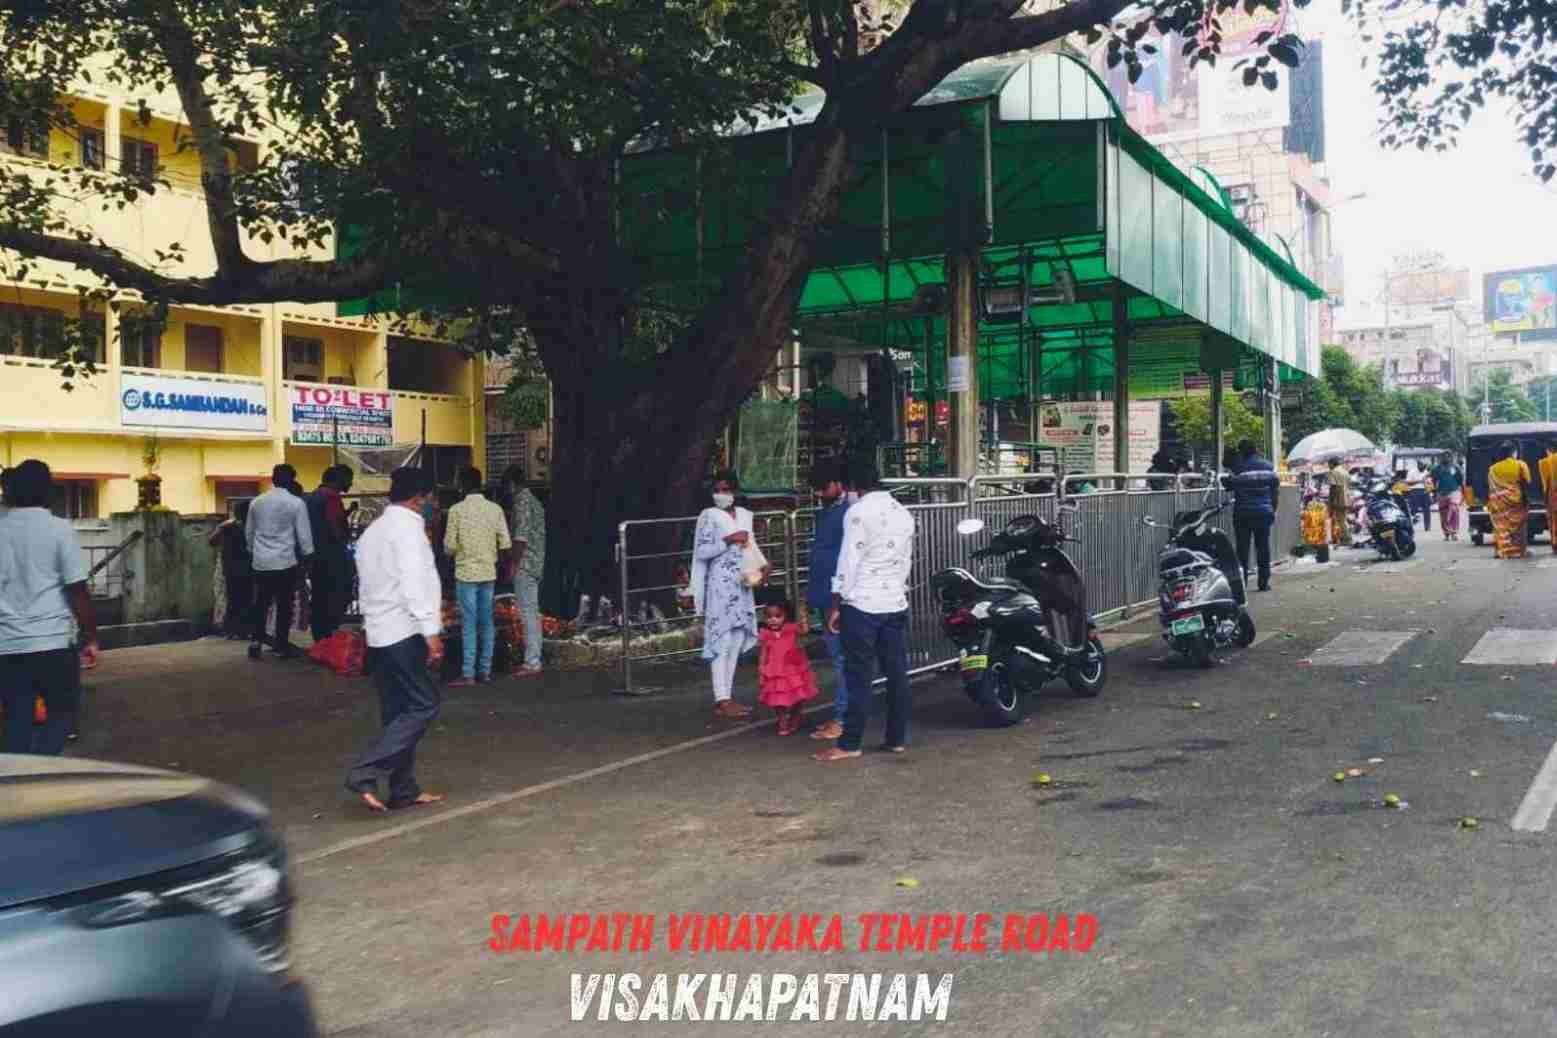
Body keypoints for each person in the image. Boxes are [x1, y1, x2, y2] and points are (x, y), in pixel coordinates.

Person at [345, 467, 446, 813]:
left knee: (397, 712)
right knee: (423, 704)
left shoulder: (374, 531)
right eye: (432, 497)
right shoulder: (408, 531)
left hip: (379, 633)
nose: (434, 504)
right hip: (404, 631)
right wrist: (430, 631)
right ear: (420, 497)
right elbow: (414, 583)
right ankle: (366, 771)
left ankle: (403, 789)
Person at [816, 459, 915, 763]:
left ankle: (849, 743)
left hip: (862, 604)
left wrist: (835, 604)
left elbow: (848, 563)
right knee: (897, 673)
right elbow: (905, 560)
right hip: (895, 601)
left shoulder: (857, 513)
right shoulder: (903, 512)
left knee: (859, 675)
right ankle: (896, 738)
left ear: (851, 487)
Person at [0, 459, 98, 754]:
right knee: (61, 716)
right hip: (54, 643)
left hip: (8, 647)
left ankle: (19, 783)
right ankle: (44, 765)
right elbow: (77, 589)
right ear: (47, 492)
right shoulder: (59, 529)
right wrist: (90, 637)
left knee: (16, 722)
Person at [692, 470, 761, 720]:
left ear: (734, 490)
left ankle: (727, 696)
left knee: (734, 639)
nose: (722, 494)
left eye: (726, 489)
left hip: (742, 583)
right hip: (720, 584)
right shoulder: (709, 516)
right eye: (717, 490)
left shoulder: (743, 515)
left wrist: (762, 564)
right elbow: (701, 551)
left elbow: (751, 544)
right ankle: (721, 698)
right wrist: (728, 540)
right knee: (720, 640)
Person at [443, 466, 512, 686]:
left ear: (461, 485)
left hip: (466, 573)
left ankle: (468, 674)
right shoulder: (495, 509)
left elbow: (449, 547)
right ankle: (485, 671)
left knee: (469, 624)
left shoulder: (456, 510)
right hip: (487, 572)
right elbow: (506, 542)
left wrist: (456, 551)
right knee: (487, 622)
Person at [246, 463, 314, 660]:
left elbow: (249, 533)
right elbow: (304, 537)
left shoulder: (257, 502)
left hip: (261, 562)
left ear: (273, 479)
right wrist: (308, 557)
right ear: (291, 480)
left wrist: (254, 552)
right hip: (285, 561)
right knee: (285, 604)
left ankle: (256, 642)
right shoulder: (296, 503)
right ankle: (281, 645)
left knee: (261, 603)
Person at [805, 458, 852, 742]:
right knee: (838, 658)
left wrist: (836, 602)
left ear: (838, 484)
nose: (819, 494)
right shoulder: (829, 512)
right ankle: (840, 714)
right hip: (825, 595)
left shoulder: (848, 514)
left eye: (824, 488)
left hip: (838, 597)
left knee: (841, 659)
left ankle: (843, 717)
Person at [505, 465, 546, 678]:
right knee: (532, 612)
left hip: (525, 564)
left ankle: (532, 662)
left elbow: (520, 539)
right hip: (536, 561)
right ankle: (534, 658)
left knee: (528, 612)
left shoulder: (522, 503)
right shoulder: (535, 502)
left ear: (512, 484)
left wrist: (513, 565)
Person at [307, 465, 355, 642]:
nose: (351, 483)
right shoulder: (331, 497)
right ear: (339, 479)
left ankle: (320, 638)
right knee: (337, 594)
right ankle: (328, 637)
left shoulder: (313, 496)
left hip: (317, 555)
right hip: (332, 556)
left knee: (320, 596)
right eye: (349, 478)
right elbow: (334, 528)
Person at [1224, 440, 1280, 592]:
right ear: (1256, 450)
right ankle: (1264, 582)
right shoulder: (1268, 467)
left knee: (1242, 549)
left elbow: (1230, 485)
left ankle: (1242, 584)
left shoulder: (1238, 468)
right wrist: (1273, 510)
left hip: (1243, 514)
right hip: (1264, 513)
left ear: (1242, 452)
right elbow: (1274, 491)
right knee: (1263, 548)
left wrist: (1226, 480)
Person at [757, 600, 818, 736]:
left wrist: (802, 615)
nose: (773, 620)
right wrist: (761, 670)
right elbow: (763, 654)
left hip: (794, 668)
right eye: (769, 617)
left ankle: (795, 716)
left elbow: (804, 630)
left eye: (778, 616)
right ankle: (782, 720)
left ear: (785, 616)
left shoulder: (791, 629)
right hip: (775, 671)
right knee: (778, 699)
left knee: (799, 696)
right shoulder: (765, 634)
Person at [208, 499, 254, 639]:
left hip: (231, 568)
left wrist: (221, 528)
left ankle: (232, 630)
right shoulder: (251, 527)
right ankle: (243, 630)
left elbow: (212, 541)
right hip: (247, 567)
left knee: (234, 599)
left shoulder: (228, 527)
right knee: (246, 599)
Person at [1487, 440, 1532, 559]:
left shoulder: (1492, 469)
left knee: (1500, 527)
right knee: (1519, 527)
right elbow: (1526, 483)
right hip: (1516, 501)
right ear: (1514, 452)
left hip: (1498, 502)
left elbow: (1491, 487)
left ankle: (1500, 550)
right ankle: (1519, 551)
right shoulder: (1521, 465)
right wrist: (1527, 500)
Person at [1431, 453, 1464, 541]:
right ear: (1441, 458)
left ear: (1451, 457)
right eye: (1444, 456)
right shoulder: (1437, 468)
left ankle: (1454, 532)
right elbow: (1433, 480)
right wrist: (1434, 493)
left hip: (1454, 491)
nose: (1446, 458)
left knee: (1454, 511)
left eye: (1448, 456)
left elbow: (1460, 479)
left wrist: (1462, 492)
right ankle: (1446, 533)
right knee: (1443, 514)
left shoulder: (1456, 467)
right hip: (1441, 493)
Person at [1326, 457, 1352, 547]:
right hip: (1347, 497)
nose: (1328, 466)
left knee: (1341, 520)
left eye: (1328, 464)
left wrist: (1331, 501)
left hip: (1339, 498)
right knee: (1343, 519)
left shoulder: (1333, 472)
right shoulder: (1345, 471)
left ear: (1332, 464)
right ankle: (1345, 537)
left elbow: (1333, 487)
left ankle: (1347, 539)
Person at [1405, 461, 1431, 531]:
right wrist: (1419, 481)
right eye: (1421, 466)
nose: (1423, 467)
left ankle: (1427, 526)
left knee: (1427, 509)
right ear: (1418, 465)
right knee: (1413, 510)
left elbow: (1429, 483)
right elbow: (1408, 483)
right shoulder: (1412, 471)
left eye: (1424, 466)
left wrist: (1428, 486)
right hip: (1415, 491)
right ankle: (1410, 526)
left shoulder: (1426, 472)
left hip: (1425, 491)